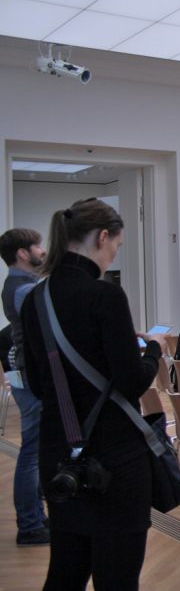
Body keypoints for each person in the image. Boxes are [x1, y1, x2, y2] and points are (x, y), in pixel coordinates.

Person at [20, 198, 165, 590]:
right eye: (116, 246)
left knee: (65, 570)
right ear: (102, 237)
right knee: (117, 575)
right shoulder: (105, 296)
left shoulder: (37, 298)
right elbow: (132, 381)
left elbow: (36, 383)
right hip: (114, 454)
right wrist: (154, 351)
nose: (114, 253)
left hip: (59, 451)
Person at [1, 228, 49, 547]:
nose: (43, 251)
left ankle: (36, 518)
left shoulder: (19, 286)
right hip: (31, 376)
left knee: (35, 449)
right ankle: (30, 524)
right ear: (22, 252)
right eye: (38, 246)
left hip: (24, 373)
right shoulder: (24, 289)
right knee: (32, 451)